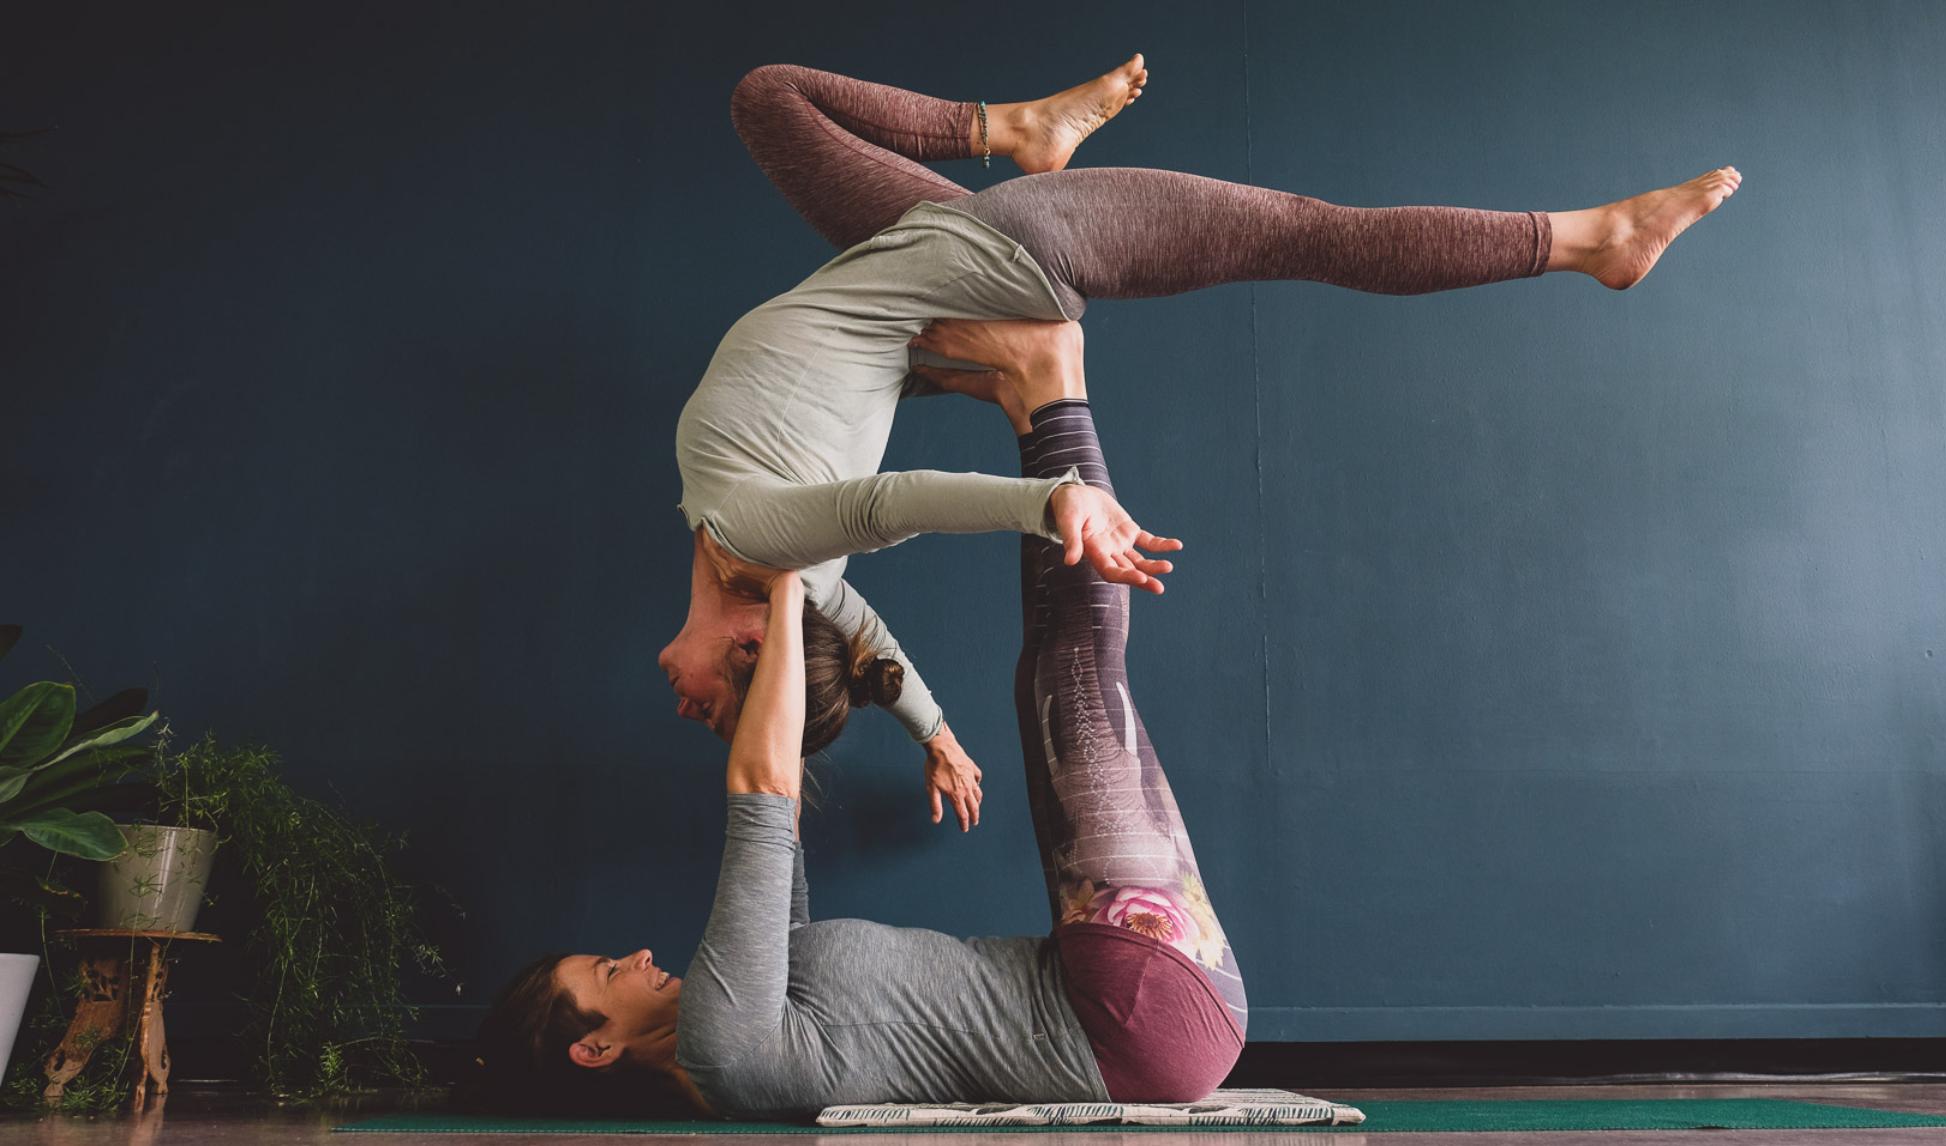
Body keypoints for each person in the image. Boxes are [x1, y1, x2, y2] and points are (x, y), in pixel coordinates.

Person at [659, 57, 1742, 832]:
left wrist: (931, 729)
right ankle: (1589, 242)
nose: (687, 705)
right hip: (1006, 249)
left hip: (916, 251)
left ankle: (1015, 135)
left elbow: (865, 633)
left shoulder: (770, 561)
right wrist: (1046, 505)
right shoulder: (760, 538)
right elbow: (890, 504)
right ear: (752, 649)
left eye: (709, 714)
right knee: (1310, 230)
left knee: (769, 99)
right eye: (714, 707)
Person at [477, 322, 1247, 1118]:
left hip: (1131, 1005)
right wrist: (783, 575)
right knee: (1069, 675)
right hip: (1129, 1016)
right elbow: (761, 797)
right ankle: (1054, 383)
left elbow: (781, 822)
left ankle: (1035, 408)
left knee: (1046, 679)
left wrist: (758, 700)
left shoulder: (754, 1018)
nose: (637, 955)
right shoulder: (721, 1043)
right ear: (594, 1048)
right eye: (610, 972)